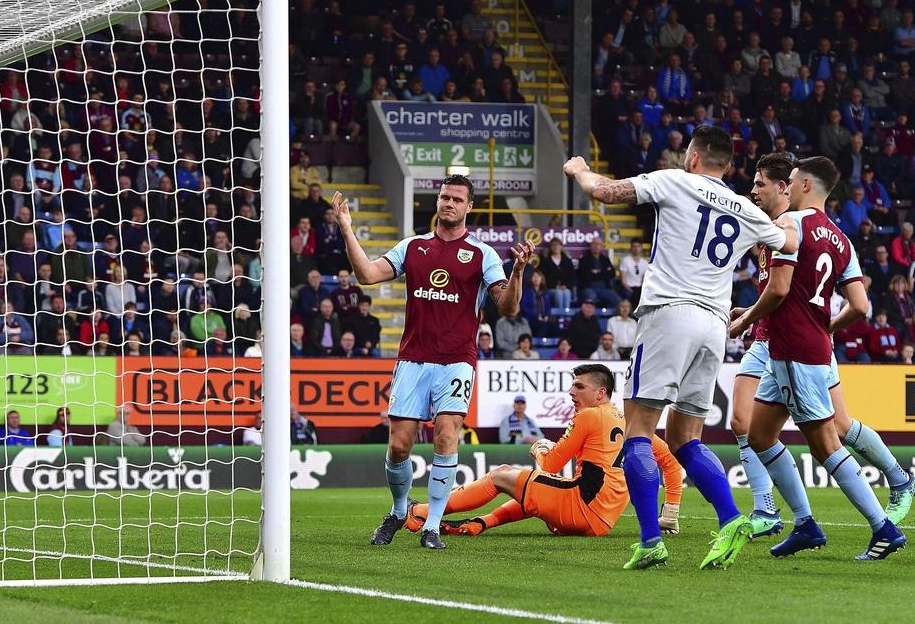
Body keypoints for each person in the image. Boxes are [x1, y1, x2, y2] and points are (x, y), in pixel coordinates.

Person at [563, 124, 798, 570]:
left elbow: (606, 193)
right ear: (727, 166)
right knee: (686, 437)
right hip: (713, 325)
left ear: (691, 157)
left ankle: (651, 541)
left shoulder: (674, 180)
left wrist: (580, 171)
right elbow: (788, 240)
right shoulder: (746, 208)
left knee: (638, 430)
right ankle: (731, 519)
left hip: (668, 314)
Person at [333, 174, 534, 550]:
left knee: (446, 435)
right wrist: (347, 228)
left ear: (469, 207)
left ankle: (433, 527)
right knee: (399, 447)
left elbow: (507, 306)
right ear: (437, 201)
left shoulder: (482, 254)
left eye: (458, 199)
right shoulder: (413, 247)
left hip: (458, 360)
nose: (449, 204)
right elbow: (366, 275)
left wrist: (519, 272)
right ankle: (397, 511)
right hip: (413, 359)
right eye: (445, 197)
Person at [729, 157, 911, 560]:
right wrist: (825, 328)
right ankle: (807, 524)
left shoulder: (789, 226)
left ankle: (884, 528)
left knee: (826, 444)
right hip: (798, 347)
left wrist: (744, 321)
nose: (786, 187)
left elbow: (778, 290)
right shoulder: (841, 240)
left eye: (791, 181)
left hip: (794, 349)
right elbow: (860, 306)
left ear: (806, 184)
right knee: (759, 434)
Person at [404, 365, 683, 538]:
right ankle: (481, 522)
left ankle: (420, 512)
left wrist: (540, 446)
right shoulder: (633, 427)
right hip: (601, 522)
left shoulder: (590, 417)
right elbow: (671, 463)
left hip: (580, 507)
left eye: (579, 386)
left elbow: (548, 465)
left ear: (600, 393)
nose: (571, 392)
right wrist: (670, 511)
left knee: (502, 475)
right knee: (537, 491)